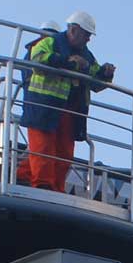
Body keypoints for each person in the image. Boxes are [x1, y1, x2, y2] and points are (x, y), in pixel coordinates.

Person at [18, 11, 115, 192]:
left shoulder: (87, 55)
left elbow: (95, 82)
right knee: (42, 147)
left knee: (64, 153)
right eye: (86, 34)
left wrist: (105, 74)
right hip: (44, 106)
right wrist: (68, 62)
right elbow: (37, 60)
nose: (88, 39)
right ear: (73, 30)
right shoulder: (50, 42)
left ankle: (51, 186)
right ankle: (42, 185)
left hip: (70, 111)